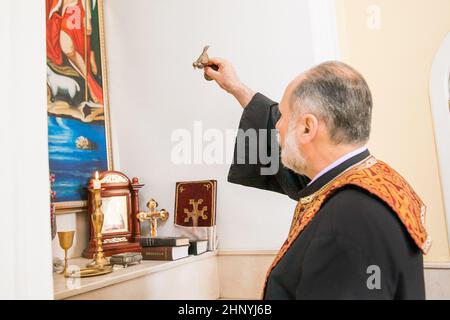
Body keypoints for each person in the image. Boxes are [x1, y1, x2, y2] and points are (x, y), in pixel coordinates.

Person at [204, 58, 431, 300]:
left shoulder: (348, 220)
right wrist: (237, 88)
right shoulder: (374, 180)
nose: (275, 127)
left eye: (281, 116)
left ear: (307, 128)